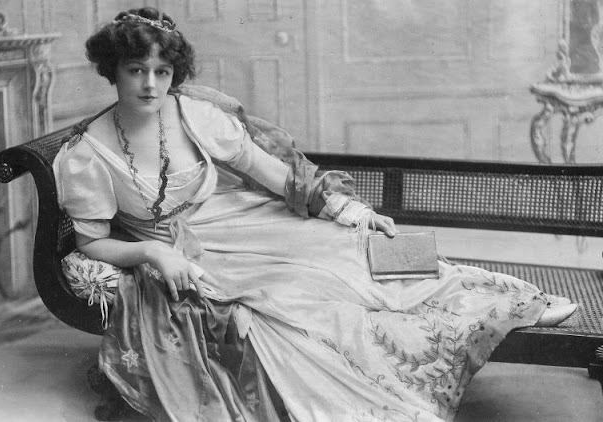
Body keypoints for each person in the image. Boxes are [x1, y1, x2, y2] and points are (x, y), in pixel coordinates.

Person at [53, 7, 577, 422]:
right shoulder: (88, 153)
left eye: (162, 71)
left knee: (351, 252)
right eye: (136, 70)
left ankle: (508, 305)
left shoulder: (193, 112)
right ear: (112, 70)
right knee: (295, 300)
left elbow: (269, 170)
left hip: (237, 218)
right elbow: (91, 243)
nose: (150, 84)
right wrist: (152, 252)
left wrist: (347, 209)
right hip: (183, 248)